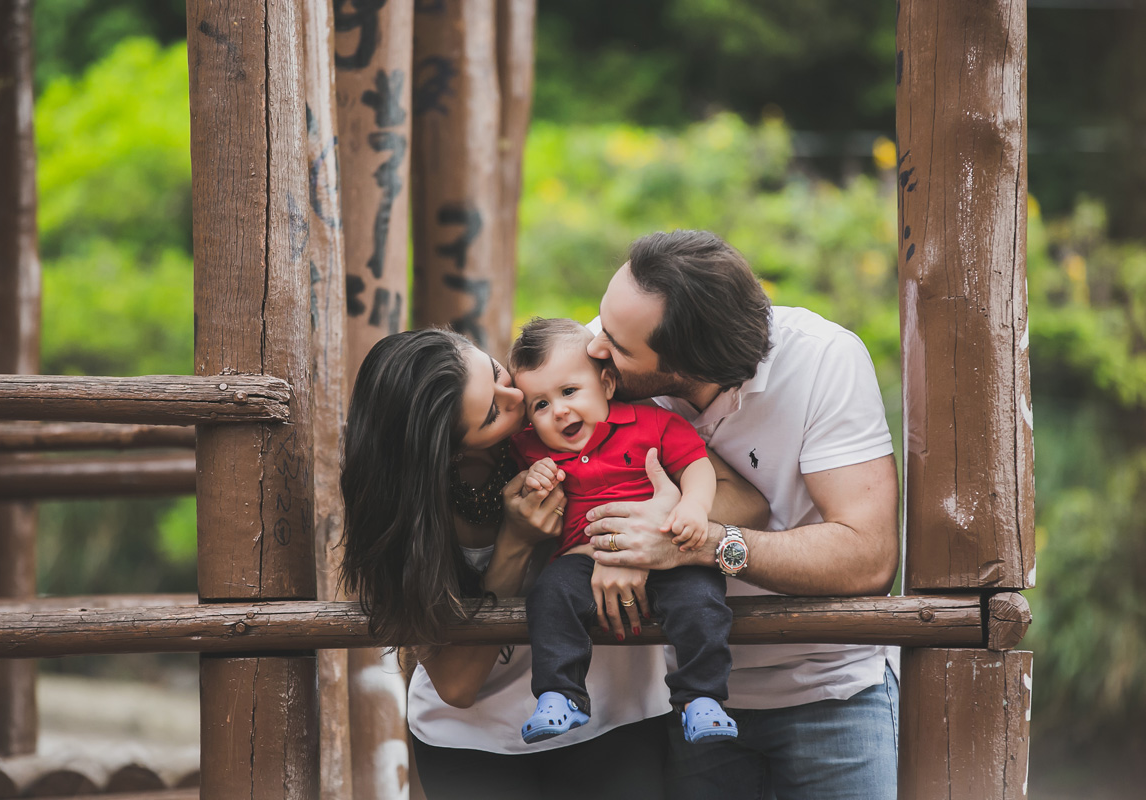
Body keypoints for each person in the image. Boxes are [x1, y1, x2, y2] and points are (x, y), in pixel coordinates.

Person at [581, 230, 901, 800]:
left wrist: (701, 542)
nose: (594, 348)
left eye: (618, 346)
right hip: (686, 694)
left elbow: (868, 556)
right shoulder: (602, 354)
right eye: (602, 323)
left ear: (686, 366)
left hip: (832, 690)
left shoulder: (823, 360)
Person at [337, 328, 685, 800]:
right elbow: (456, 685)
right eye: (492, 413)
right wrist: (515, 545)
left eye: (497, 373)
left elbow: (736, 495)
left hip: (616, 714)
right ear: (452, 450)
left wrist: (636, 537)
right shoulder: (407, 509)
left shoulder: (570, 389)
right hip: (471, 743)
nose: (517, 398)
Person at [507, 317, 737, 746]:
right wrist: (533, 476)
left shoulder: (653, 424)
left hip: (666, 549)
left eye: (569, 391)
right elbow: (519, 490)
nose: (558, 411)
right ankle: (560, 693)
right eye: (540, 405)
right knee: (550, 594)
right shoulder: (532, 449)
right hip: (585, 558)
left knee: (702, 599)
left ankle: (701, 698)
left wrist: (693, 505)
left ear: (607, 384)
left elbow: (696, 466)